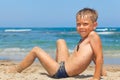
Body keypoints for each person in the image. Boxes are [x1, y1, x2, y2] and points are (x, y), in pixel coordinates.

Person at [7, 8, 106, 80]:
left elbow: (98, 57)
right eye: (78, 24)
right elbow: (92, 55)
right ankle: (53, 65)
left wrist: (96, 77)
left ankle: (16, 69)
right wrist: (103, 73)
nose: (81, 27)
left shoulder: (93, 35)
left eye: (85, 24)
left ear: (94, 25)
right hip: (63, 65)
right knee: (60, 41)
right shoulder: (85, 39)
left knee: (36, 50)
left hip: (61, 72)